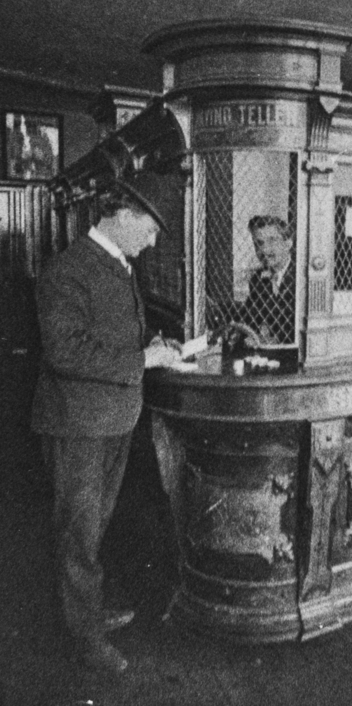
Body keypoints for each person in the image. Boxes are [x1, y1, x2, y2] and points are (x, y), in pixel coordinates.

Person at [31, 183, 181, 673]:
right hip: (78, 423)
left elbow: (111, 333)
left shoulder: (119, 264)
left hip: (113, 417)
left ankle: (87, 613)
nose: (154, 241)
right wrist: (143, 358)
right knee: (78, 531)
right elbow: (65, 351)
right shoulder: (68, 268)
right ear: (122, 214)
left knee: (93, 527)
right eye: (151, 228)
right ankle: (85, 639)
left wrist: (149, 343)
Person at [243, 214, 296, 345]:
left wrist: (276, 340)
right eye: (259, 243)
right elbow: (251, 320)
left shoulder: (301, 277)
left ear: (288, 242)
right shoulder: (257, 279)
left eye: (272, 240)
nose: (264, 250)